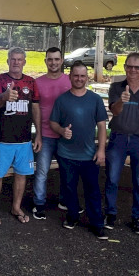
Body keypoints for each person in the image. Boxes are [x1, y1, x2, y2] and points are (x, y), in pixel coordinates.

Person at [49, 61, 108, 240]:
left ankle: (97, 223)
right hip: (66, 155)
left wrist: (101, 150)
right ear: (70, 76)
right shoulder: (62, 99)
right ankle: (72, 217)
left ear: (87, 77)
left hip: (89, 155)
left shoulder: (95, 99)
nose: (79, 79)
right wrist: (61, 131)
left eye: (83, 76)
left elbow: (102, 127)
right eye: (76, 75)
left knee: (93, 190)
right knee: (69, 189)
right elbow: (53, 123)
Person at [104, 52, 139, 234]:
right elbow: (115, 111)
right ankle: (111, 213)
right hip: (118, 138)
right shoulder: (116, 87)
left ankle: (137, 217)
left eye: (137, 67)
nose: (133, 70)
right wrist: (122, 100)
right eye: (129, 66)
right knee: (112, 179)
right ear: (125, 67)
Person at [0, 47, 41, 225]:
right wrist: (4, 96)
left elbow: (35, 109)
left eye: (19, 59)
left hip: (24, 140)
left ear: (24, 61)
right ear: (8, 61)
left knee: (22, 174)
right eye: (13, 59)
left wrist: (38, 134)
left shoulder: (31, 82)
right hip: (2, 140)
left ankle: (16, 207)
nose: (16, 62)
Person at [32, 47, 72, 220]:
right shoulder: (38, 82)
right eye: (50, 59)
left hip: (66, 135)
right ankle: (39, 204)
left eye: (56, 59)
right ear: (45, 61)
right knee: (41, 172)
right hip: (46, 135)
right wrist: (38, 134)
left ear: (61, 60)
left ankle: (64, 201)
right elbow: (36, 110)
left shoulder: (70, 80)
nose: (53, 62)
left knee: (67, 171)